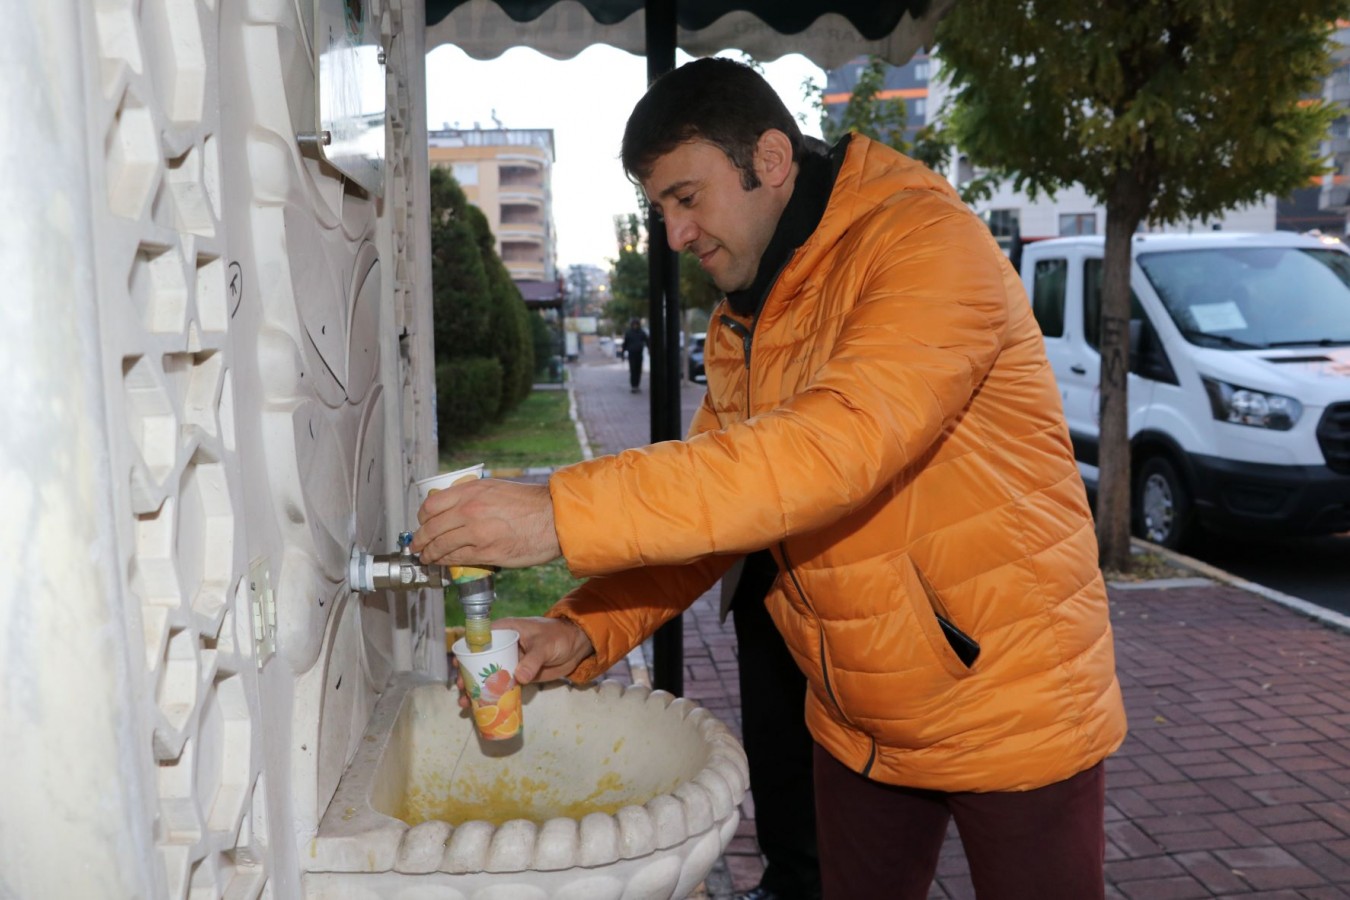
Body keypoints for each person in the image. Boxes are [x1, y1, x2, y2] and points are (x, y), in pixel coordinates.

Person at [412, 57, 1127, 900]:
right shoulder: (750, 313)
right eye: (659, 209)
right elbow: (727, 507)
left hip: (1012, 703)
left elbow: (834, 450)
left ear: (772, 160)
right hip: (857, 715)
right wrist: (584, 631)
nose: (673, 234)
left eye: (687, 197)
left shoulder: (927, 244)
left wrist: (555, 513)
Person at [622, 317, 649, 392]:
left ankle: (637, 385)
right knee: (633, 370)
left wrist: (649, 349)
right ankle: (633, 386)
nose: (635, 326)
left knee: (638, 370)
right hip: (631, 354)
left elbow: (647, 341)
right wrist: (623, 353)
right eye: (634, 324)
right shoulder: (629, 333)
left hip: (639, 354)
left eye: (636, 324)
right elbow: (625, 343)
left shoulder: (641, 332)